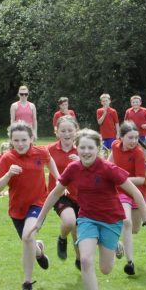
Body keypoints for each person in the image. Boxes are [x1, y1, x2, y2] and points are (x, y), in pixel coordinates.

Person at [29, 129, 146, 290]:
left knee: (106, 269)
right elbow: (55, 193)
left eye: (90, 147)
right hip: (87, 219)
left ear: (98, 149)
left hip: (110, 220)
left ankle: (115, 245)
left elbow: (136, 192)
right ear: (77, 148)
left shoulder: (108, 168)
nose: (86, 151)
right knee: (86, 261)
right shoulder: (73, 168)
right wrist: (40, 219)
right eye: (82, 147)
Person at [0, 121, 59, 290]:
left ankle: (27, 283)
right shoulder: (6, 158)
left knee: (27, 236)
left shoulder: (41, 152)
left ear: (31, 139)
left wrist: (59, 179)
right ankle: (39, 250)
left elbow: (49, 160)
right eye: (16, 140)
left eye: (24, 140)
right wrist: (8, 174)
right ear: (11, 141)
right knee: (28, 240)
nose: (20, 144)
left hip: (38, 203)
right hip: (17, 209)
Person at [111, 122, 146, 276]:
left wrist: (119, 178)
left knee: (134, 229)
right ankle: (130, 262)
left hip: (138, 193)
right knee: (126, 222)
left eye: (136, 137)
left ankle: (119, 245)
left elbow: (140, 179)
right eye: (130, 137)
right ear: (121, 137)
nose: (134, 141)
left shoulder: (139, 153)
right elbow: (109, 163)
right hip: (121, 192)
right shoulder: (114, 145)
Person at [46, 115, 82, 269]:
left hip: (82, 195)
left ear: (76, 131)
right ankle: (62, 239)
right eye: (63, 131)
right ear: (57, 132)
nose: (67, 134)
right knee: (69, 222)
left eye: (70, 130)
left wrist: (81, 162)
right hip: (60, 194)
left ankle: (80, 260)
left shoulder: (83, 148)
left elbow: (97, 167)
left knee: (77, 230)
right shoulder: (49, 150)